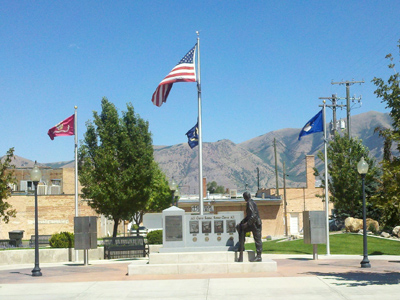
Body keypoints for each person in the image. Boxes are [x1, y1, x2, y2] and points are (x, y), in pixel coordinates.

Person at [236, 191, 263, 262]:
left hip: (255, 224)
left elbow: (253, 216)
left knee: (257, 240)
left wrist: (246, 224)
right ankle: (241, 246)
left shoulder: (249, 203)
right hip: (252, 223)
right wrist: (242, 222)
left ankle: (259, 256)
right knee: (240, 228)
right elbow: (248, 216)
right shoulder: (251, 202)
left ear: (245, 197)